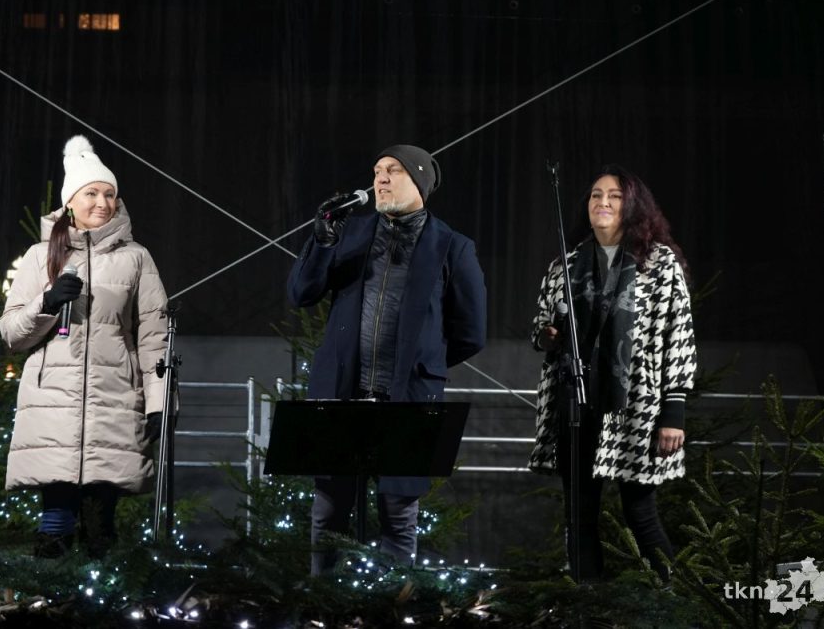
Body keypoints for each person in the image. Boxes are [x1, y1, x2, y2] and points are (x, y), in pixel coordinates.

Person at [287, 144, 487, 575]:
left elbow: (471, 333)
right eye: (377, 169)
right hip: (341, 393)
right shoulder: (350, 234)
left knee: (398, 517)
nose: (380, 177)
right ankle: (323, 602)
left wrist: (422, 364)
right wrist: (321, 240)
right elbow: (301, 293)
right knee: (328, 512)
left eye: (393, 170)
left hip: (408, 398)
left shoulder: (452, 247)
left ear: (419, 181)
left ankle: (390, 604)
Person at [0, 135, 169, 558]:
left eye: (109, 194)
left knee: (100, 527)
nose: (102, 202)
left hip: (114, 399)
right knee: (54, 523)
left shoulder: (137, 258)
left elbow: (154, 336)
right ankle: (50, 593)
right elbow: (12, 334)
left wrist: (160, 403)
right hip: (53, 403)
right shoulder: (40, 256)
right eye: (91, 193)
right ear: (70, 202)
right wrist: (47, 302)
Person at [529, 164, 697, 581]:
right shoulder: (566, 264)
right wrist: (548, 336)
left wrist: (674, 412)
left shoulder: (659, 264)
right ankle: (588, 602)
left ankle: (672, 600)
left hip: (636, 406)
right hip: (576, 401)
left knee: (640, 511)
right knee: (579, 515)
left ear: (632, 206)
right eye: (596, 195)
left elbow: (678, 336)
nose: (602, 202)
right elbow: (540, 329)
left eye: (615, 196)